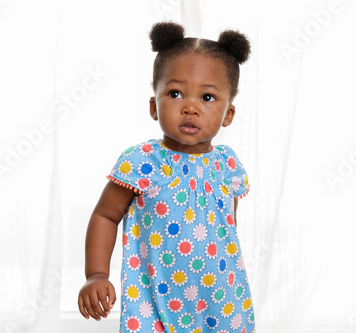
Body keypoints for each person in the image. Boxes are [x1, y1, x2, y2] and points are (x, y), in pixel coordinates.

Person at [78, 21, 256, 332]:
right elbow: (105, 216)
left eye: (208, 98)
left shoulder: (228, 166)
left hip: (223, 300)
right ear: (154, 106)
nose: (190, 107)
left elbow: (228, 229)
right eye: (175, 93)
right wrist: (96, 274)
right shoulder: (143, 162)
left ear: (228, 113)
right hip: (153, 303)